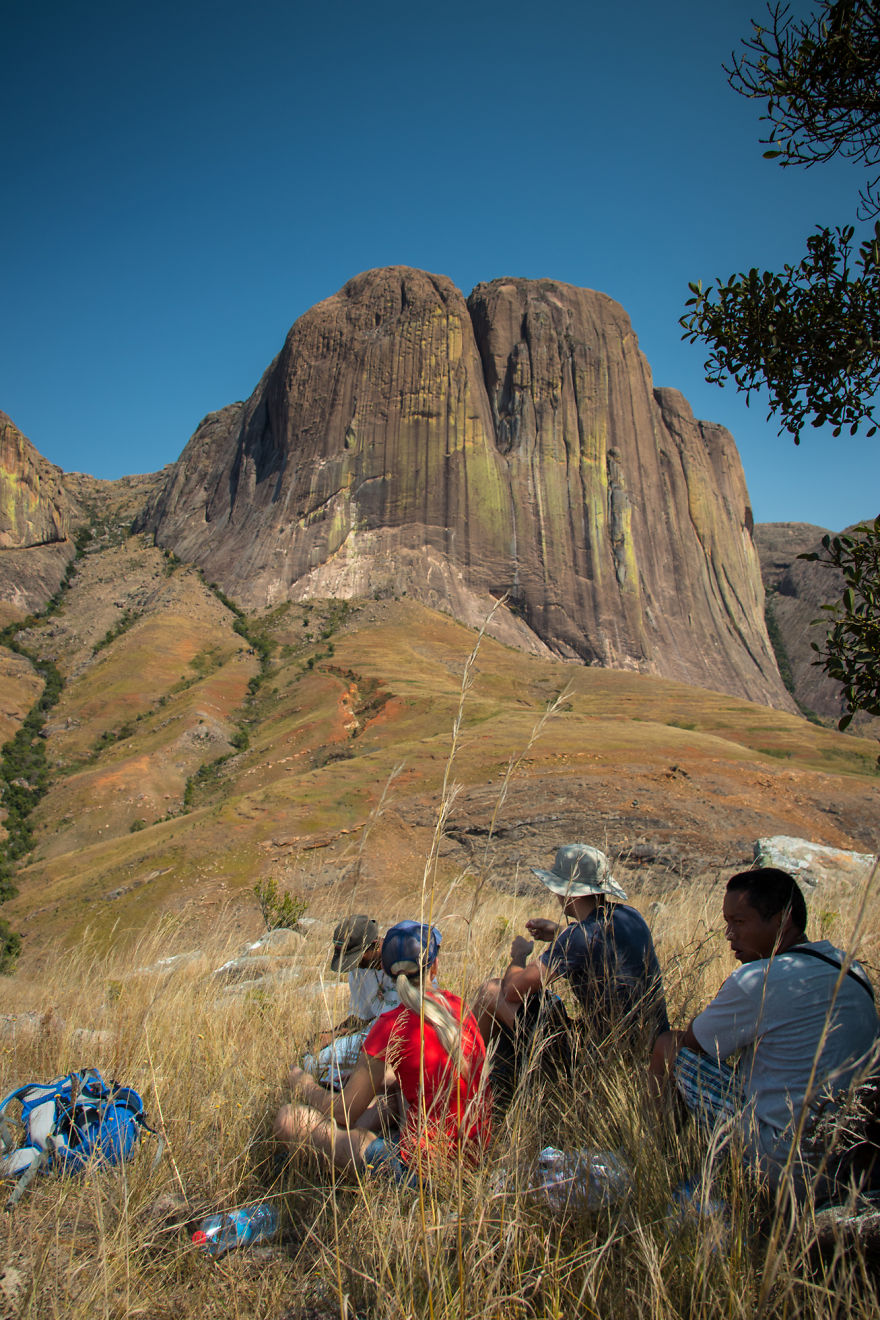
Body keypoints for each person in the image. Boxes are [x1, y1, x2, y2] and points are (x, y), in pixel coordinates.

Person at [649, 867, 879, 1194]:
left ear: (782, 921)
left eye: (739, 922)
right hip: (852, 1156)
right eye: (727, 922)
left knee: (667, 1046)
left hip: (785, 1160)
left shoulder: (759, 979)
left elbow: (693, 1043)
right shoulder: (850, 968)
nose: (729, 934)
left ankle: (657, 1160)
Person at [275, 920, 491, 1183]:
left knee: (289, 1118)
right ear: (434, 966)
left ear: (388, 974)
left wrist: (305, 1084)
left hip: (423, 1172)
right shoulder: (459, 1006)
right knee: (388, 1093)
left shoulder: (390, 1026)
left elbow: (344, 1111)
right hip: (476, 1154)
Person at [474, 844, 669, 1099]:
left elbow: (512, 991)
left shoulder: (577, 938)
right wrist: (559, 933)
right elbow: (599, 943)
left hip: (596, 1056)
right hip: (647, 1047)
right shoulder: (631, 917)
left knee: (491, 991)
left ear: (568, 891)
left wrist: (519, 955)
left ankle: (469, 1080)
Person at [302, 914, 399, 1089]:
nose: (356, 965)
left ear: (375, 945)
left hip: (397, 1040)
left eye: (358, 958)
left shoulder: (403, 962)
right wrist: (330, 1035)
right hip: (370, 1037)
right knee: (311, 1061)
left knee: (320, 1064)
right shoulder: (358, 971)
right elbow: (360, 1018)